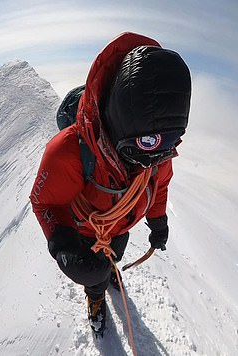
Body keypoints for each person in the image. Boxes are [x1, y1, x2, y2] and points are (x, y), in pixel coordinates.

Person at [30, 32, 191, 335]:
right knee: (95, 276)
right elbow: (45, 201)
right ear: (121, 122)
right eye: (149, 141)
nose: (161, 154)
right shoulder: (67, 152)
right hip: (85, 233)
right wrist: (63, 244)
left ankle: (111, 270)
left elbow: (160, 184)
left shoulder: (155, 149)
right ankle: (95, 298)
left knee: (113, 256)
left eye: (173, 140)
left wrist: (158, 221)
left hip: (120, 226)